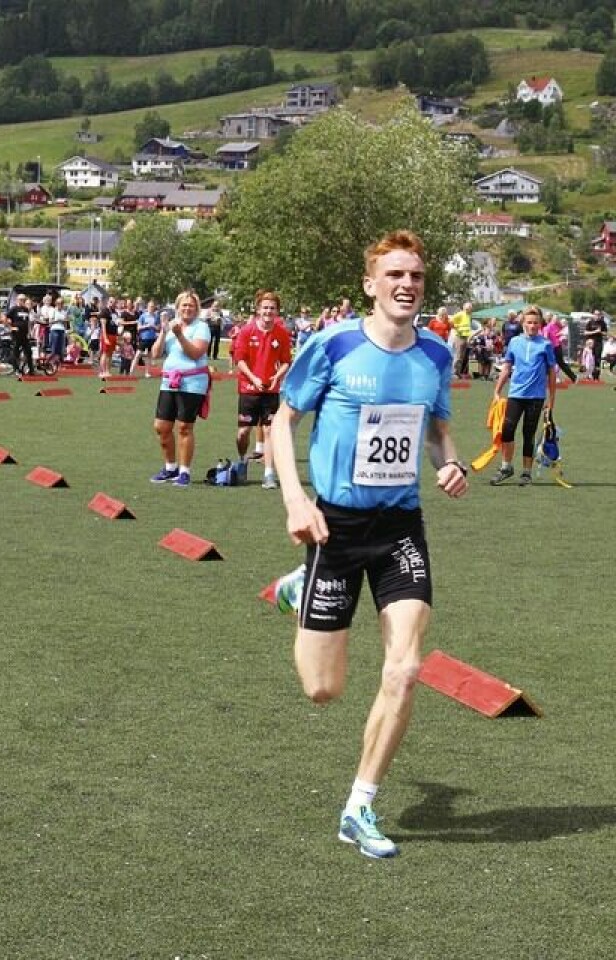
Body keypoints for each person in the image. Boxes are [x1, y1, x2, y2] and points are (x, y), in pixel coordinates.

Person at [270, 229, 468, 859]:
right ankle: (298, 588)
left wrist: (451, 462)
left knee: (406, 668)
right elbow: (282, 420)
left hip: (400, 526)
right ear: (370, 283)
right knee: (322, 690)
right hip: (335, 527)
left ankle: (360, 805)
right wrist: (296, 500)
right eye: (394, 276)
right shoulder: (333, 344)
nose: (406, 285)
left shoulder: (435, 356)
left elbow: (438, 429)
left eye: (415, 277)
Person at [149, 291, 211, 488]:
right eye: (183, 305)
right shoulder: (171, 326)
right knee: (161, 426)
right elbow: (156, 353)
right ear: (177, 307)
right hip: (169, 381)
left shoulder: (201, 327)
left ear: (197, 308)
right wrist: (163, 331)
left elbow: (195, 353)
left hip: (192, 382)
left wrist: (179, 335)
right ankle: (170, 467)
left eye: (191, 305)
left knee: (184, 427)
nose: (187, 309)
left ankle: (184, 471)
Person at [490, 305, 557, 487]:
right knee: (507, 430)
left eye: (536, 323)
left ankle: (526, 473)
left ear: (540, 324)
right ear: (523, 323)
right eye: (529, 322)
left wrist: (551, 400)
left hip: (536, 397)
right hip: (516, 393)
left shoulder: (545, 345)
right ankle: (506, 467)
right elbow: (506, 367)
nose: (533, 326)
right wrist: (497, 390)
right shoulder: (515, 342)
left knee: (528, 433)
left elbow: (551, 373)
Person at [232, 289, 292, 489]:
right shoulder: (247, 331)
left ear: (277, 311)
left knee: (269, 431)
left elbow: (285, 361)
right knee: (243, 432)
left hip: (270, 391)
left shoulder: (282, 333)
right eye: (265, 307)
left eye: (272, 308)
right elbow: (239, 360)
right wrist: (253, 378)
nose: (268, 311)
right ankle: (242, 460)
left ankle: (269, 475)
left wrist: (277, 376)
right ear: (258, 309)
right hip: (249, 389)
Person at [543, 312, 577, 383]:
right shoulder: (549, 326)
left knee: (559, 363)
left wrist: (561, 337)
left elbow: (563, 333)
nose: (548, 318)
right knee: (549, 363)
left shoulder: (554, 326)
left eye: (549, 316)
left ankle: (573, 377)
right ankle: (546, 379)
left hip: (555, 347)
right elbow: (546, 337)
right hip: (552, 347)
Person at [7, 293, 34, 375]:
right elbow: (5, 317)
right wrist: (11, 327)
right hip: (16, 335)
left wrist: (29, 331)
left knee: (29, 351)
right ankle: (16, 370)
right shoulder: (13, 309)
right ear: (17, 300)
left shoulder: (26, 309)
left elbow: (27, 321)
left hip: (24, 335)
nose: (22, 301)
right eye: (21, 299)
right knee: (16, 352)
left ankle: (31, 369)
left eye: (24, 300)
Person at [450, 301, 473, 379]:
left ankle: (458, 372)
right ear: (464, 308)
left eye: (469, 308)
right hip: (459, 337)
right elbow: (451, 321)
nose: (468, 309)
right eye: (467, 308)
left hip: (465, 337)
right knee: (458, 355)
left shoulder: (469, 315)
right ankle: (453, 373)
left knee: (462, 356)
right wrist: (457, 328)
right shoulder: (460, 314)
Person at [583, 309, 608, 381]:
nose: (597, 316)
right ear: (593, 314)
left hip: (598, 343)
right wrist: (595, 331)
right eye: (595, 314)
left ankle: (596, 376)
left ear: (600, 315)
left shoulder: (603, 323)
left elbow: (605, 333)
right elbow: (585, 332)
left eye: (598, 314)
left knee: (597, 359)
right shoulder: (590, 322)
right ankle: (588, 375)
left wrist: (601, 332)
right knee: (589, 360)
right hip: (590, 344)